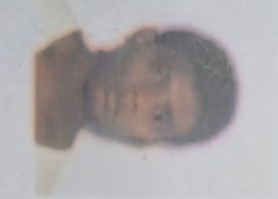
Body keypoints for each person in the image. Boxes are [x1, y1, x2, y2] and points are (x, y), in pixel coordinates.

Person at [34, 25, 238, 151]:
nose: (140, 98)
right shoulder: (45, 21)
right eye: (159, 71)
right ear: (143, 38)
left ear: (145, 141)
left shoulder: (42, 169)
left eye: (159, 117)